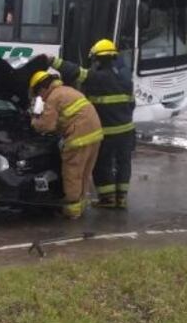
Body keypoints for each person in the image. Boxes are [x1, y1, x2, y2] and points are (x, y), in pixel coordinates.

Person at [49, 39, 135, 209]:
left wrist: (53, 61)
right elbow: (132, 104)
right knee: (123, 162)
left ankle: (108, 199)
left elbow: (75, 72)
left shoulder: (98, 77)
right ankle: (121, 198)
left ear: (97, 59)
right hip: (127, 130)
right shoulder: (126, 79)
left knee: (103, 163)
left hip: (107, 131)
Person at [29, 69, 103, 220]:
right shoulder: (68, 90)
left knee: (72, 174)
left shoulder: (53, 97)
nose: (40, 98)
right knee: (84, 173)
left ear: (42, 88)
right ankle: (81, 205)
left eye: (39, 94)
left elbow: (47, 125)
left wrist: (34, 121)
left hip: (79, 138)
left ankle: (72, 211)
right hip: (95, 135)